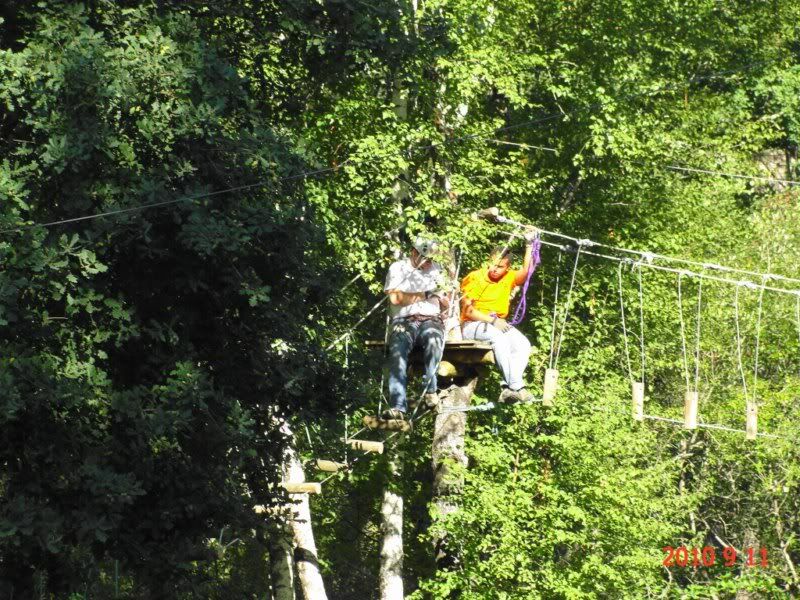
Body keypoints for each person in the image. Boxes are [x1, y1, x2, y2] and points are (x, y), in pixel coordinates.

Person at [460, 233, 536, 403]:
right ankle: (517, 387)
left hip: (498, 323)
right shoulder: (475, 277)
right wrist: (493, 321)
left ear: (507, 267)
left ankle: (509, 388)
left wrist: (529, 245)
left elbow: (527, 271)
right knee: (498, 338)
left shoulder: (509, 277)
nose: (494, 269)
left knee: (522, 344)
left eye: (500, 267)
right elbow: (468, 311)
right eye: (493, 264)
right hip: (473, 324)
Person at [382, 237, 449, 420]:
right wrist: (427, 293)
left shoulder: (437, 269)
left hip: (431, 320)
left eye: (430, 260)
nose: (428, 263)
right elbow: (395, 298)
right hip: (404, 320)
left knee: (434, 340)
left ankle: (430, 390)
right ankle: (397, 407)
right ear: (414, 252)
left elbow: (445, 303)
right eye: (425, 259)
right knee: (397, 350)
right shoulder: (398, 268)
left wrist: (445, 300)